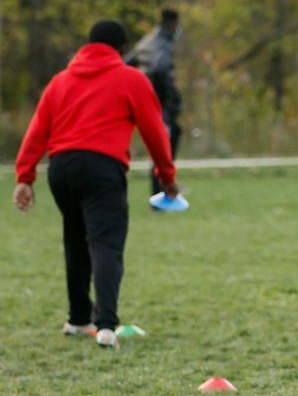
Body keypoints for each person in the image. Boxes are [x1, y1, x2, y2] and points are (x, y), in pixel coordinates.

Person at [12, 20, 178, 349]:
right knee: (106, 245)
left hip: (61, 169)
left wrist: (25, 177)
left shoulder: (60, 81)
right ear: (120, 49)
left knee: (75, 240)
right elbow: (154, 130)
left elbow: (37, 130)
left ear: (88, 46)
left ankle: (77, 319)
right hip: (102, 168)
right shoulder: (131, 79)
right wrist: (167, 177)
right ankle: (105, 326)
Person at [126, 8, 182, 197]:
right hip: (160, 104)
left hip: (147, 103)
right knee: (163, 147)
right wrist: (172, 97)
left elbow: (127, 63)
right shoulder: (162, 44)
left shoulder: (145, 42)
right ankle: (163, 193)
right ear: (172, 23)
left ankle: (163, 190)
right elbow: (160, 69)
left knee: (163, 143)